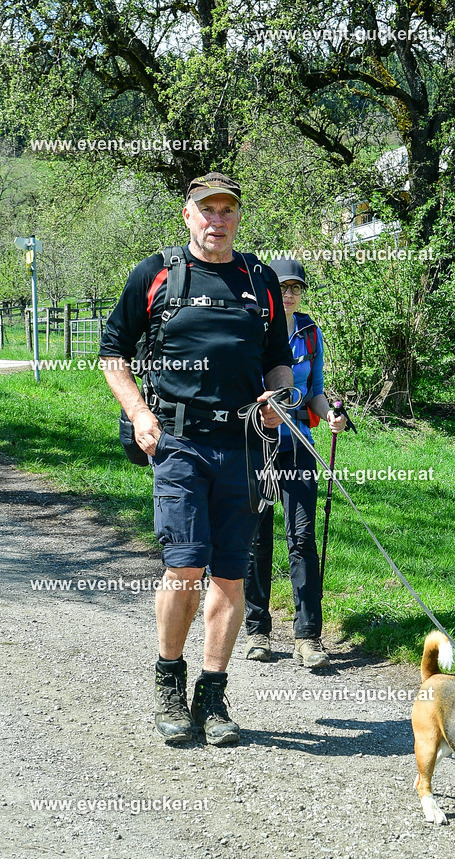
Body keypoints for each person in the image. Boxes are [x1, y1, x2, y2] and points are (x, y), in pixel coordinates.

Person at [99, 172, 294, 747]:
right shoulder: (156, 273)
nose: (217, 219)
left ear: (237, 216)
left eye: (227, 209)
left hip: (242, 446)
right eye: (206, 209)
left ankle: (213, 695)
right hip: (178, 442)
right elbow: (113, 350)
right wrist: (139, 413)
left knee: (231, 575)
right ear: (188, 215)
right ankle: (168, 681)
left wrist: (277, 400)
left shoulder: (259, 280)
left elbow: (279, 359)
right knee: (185, 567)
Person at [243, 258, 346, 669]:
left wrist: (332, 415)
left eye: (295, 288)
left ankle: (308, 637)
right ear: (270, 290)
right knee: (257, 539)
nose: (289, 294)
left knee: (302, 538)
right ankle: (258, 630)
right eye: (282, 286)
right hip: (258, 444)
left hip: (300, 444)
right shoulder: (254, 327)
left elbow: (316, 390)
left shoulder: (309, 331)